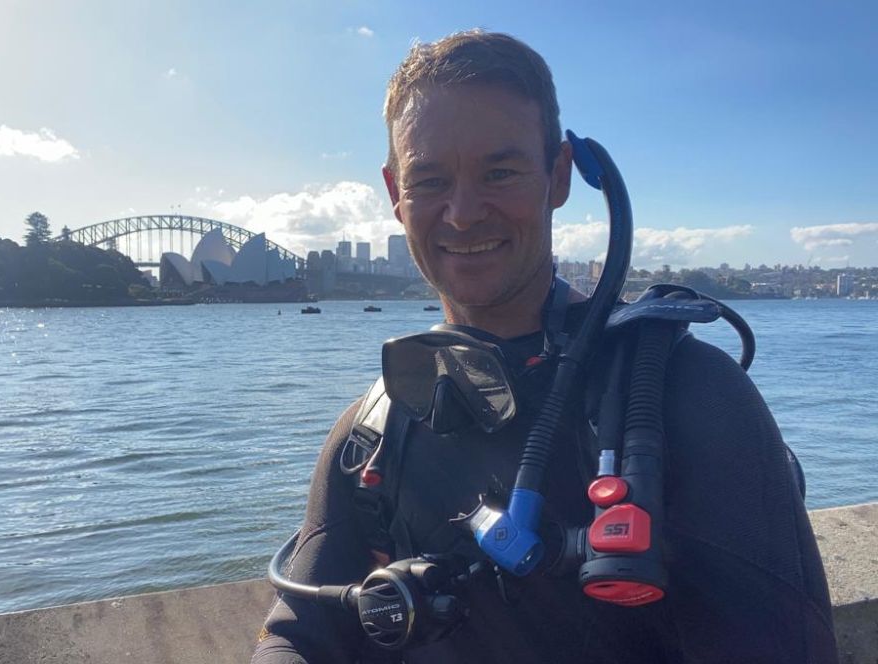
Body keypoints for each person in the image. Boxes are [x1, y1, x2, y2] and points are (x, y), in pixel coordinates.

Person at [252, 30, 837, 663]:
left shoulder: (690, 395)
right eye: (430, 180)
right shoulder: (371, 433)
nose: (463, 213)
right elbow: (297, 637)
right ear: (396, 195)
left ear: (558, 177)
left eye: (499, 172)